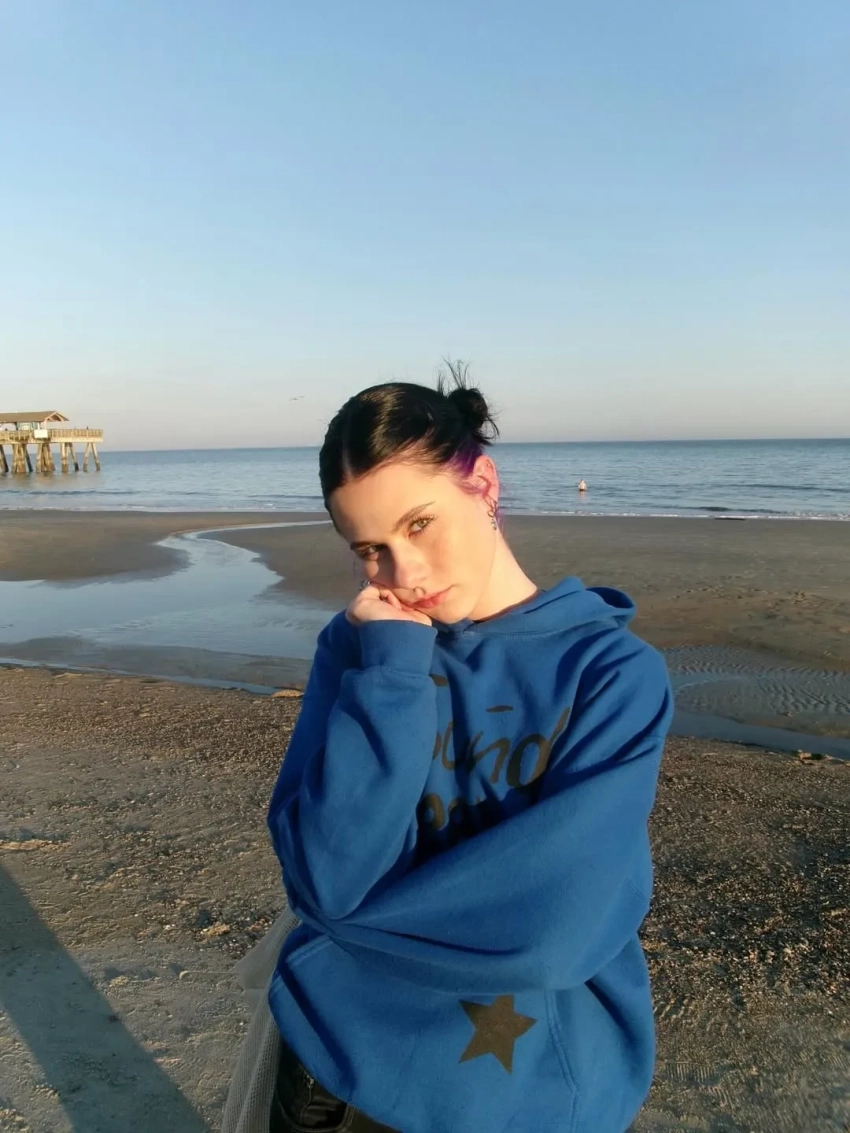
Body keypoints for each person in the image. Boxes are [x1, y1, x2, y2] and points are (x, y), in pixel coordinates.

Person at [266, 366, 673, 1133]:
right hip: (331, 1057)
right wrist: (392, 671)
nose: (404, 573)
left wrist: (347, 922)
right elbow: (322, 871)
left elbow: (553, 929)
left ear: (483, 484)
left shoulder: (610, 674)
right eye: (370, 548)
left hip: (521, 1090)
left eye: (419, 524)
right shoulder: (359, 648)